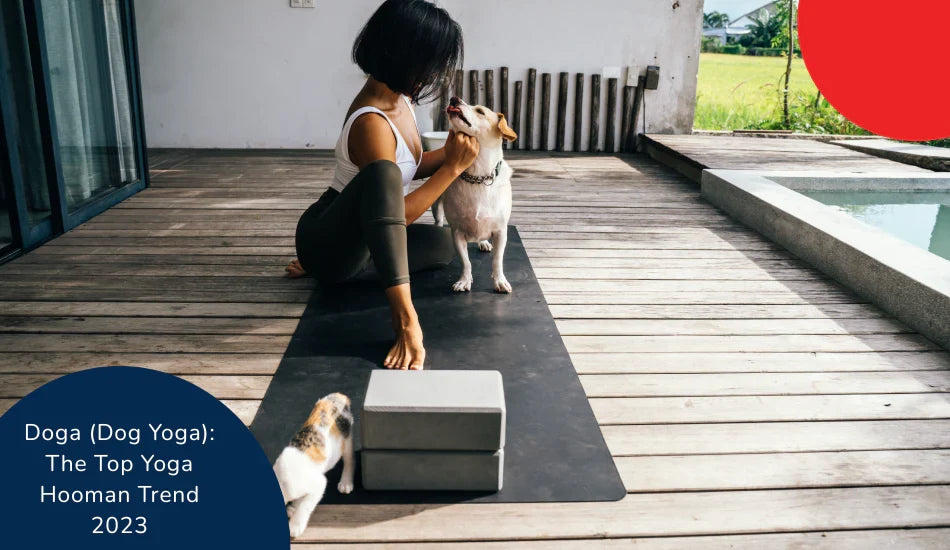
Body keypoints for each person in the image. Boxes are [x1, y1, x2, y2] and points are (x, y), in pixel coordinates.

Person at [286, 0, 478, 371]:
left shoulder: (401, 99)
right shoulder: (371, 122)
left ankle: (341, 269)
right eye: (431, 63)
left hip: (368, 231)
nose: (435, 75)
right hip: (329, 236)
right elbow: (394, 212)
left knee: (443, 246)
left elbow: (410, 167)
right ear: (405, 54)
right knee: (383, 177)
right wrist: (452, 169)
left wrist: (454, 153)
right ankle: (402, 318)